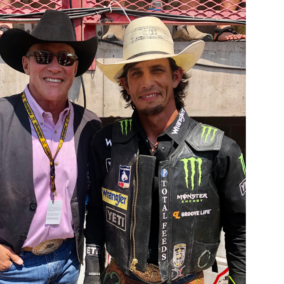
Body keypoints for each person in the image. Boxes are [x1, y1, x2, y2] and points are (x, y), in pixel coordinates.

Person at [0, 10, 101, 283]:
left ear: (74, 68)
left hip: (69, 262)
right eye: (42, 57)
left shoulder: (90, 125)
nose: (54, 66)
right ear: (26, 64)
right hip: (15, 268)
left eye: (65, 58)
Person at [84, 16, 245, 284]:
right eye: (136, 73)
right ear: (125, 83)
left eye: (157, 70)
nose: (147, 82)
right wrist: (91, 276)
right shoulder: (104, 142)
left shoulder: (220, 149)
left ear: (175, 76)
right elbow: (97, 218)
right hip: (120, 277)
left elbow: (241, 228)